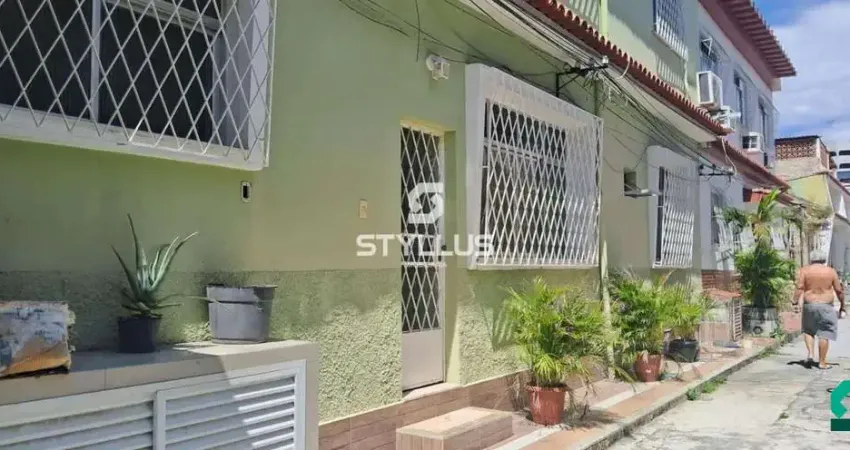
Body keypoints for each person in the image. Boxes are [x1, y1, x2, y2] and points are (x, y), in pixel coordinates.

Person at [793, 249, 845, 369]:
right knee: (825, 333)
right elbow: (839, 290)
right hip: (826, 305)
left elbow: (799, 288)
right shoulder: (830, 271)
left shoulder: (805, 270)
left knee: (808, 330)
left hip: (809, 304)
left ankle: (810, 354)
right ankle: (822, 362)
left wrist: (794, 301)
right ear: (824, 259)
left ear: (812, 259)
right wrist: (842, 304)